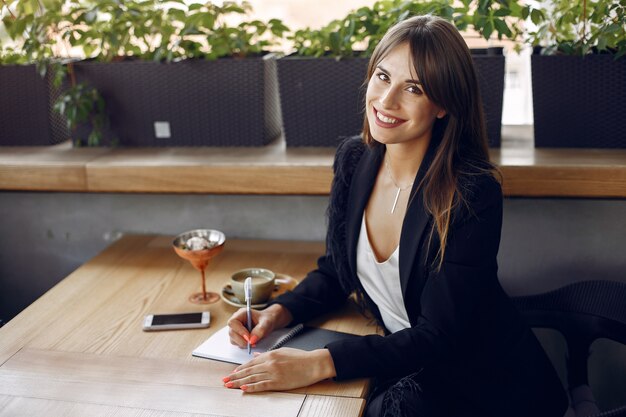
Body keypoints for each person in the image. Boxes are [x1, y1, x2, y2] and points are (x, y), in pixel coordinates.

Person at [223, 15, 569, 417]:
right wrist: (279, 313)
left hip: (482, 386)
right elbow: (339, 268)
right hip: (405, 366)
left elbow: (438, 337)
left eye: (414, 88)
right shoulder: (355, 160)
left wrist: (320, 361)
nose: (387, 101)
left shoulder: (472, 193)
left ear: (443, 105)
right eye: (383, 77)